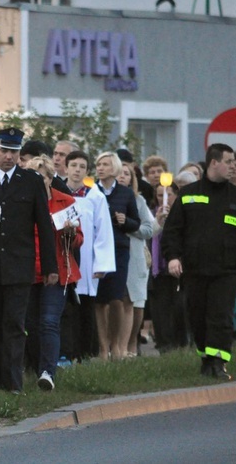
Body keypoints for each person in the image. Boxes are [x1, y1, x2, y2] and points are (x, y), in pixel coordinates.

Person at [0, 127, 58, 393]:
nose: (9, 157)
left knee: (14, 325)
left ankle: (13, 384)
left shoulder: (32, 181)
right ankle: (1, 375)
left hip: (19, 266)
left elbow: (44, 226)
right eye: (4, 151)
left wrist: (50, 266)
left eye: (14, 152)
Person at [162, 143, 236, 380]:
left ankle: (219, 362)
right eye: (228, 162)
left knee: (221, 315)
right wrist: (173, 257)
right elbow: (173, 231)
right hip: (195, 269)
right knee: (198, 316)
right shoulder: (188, 195)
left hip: (227, 270)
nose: (233, 167)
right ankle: (206, 360)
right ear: (214, 162)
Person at [24, 155, 82, 391]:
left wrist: (70, 233)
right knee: (31, 324)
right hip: (27, 272)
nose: (38, 182)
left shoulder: (65, 201)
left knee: (49, 322)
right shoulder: (22, 203)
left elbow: (79, 239)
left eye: (42, 177)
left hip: (56, 271)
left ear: (50, 179)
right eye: (32, 178)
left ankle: (48, 372)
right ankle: (34, 367)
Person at [61, 150, 115, 362]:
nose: (77, 170)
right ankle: (67, 352)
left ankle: (84, 353)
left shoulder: (95, 196)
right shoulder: (58, 193)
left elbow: (103, 231)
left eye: (82, 167)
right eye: (74, 165)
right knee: (67, 309)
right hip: (64, 258)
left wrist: (101, 263)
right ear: (66, 168)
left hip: (86, 261)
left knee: (85, 308)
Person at [94, 152, 140, 360]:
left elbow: (136, 223)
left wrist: (124, 221)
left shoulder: (125, 194)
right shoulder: (92, 191)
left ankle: (118, 346)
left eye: (105, 164)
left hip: (119, 249)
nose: (100, 168)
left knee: (116, 298)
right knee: (98, 300)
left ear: (114, 168)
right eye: (98, 164)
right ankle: (103, 348)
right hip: (96, 250)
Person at [118, 162, 155, 357]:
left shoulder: (138, 201)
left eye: (126, 174)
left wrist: (130, 226)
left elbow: (149, 230)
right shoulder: (103, 198)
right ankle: (116, 348)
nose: (122, 176)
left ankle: (131, 345)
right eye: (119, 173)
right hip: (114, 255)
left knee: (134, 301)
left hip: (135, 257)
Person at [150, 182, 189, 352]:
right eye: (159, 195)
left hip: (179, 265)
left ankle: (181, 342)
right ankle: (164, 344)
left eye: (168, 194)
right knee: (161, 309)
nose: (164, 198)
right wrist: (157, 221)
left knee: (180, 307)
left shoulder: (184, 213)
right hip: (158, 268)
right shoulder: (153, 214)